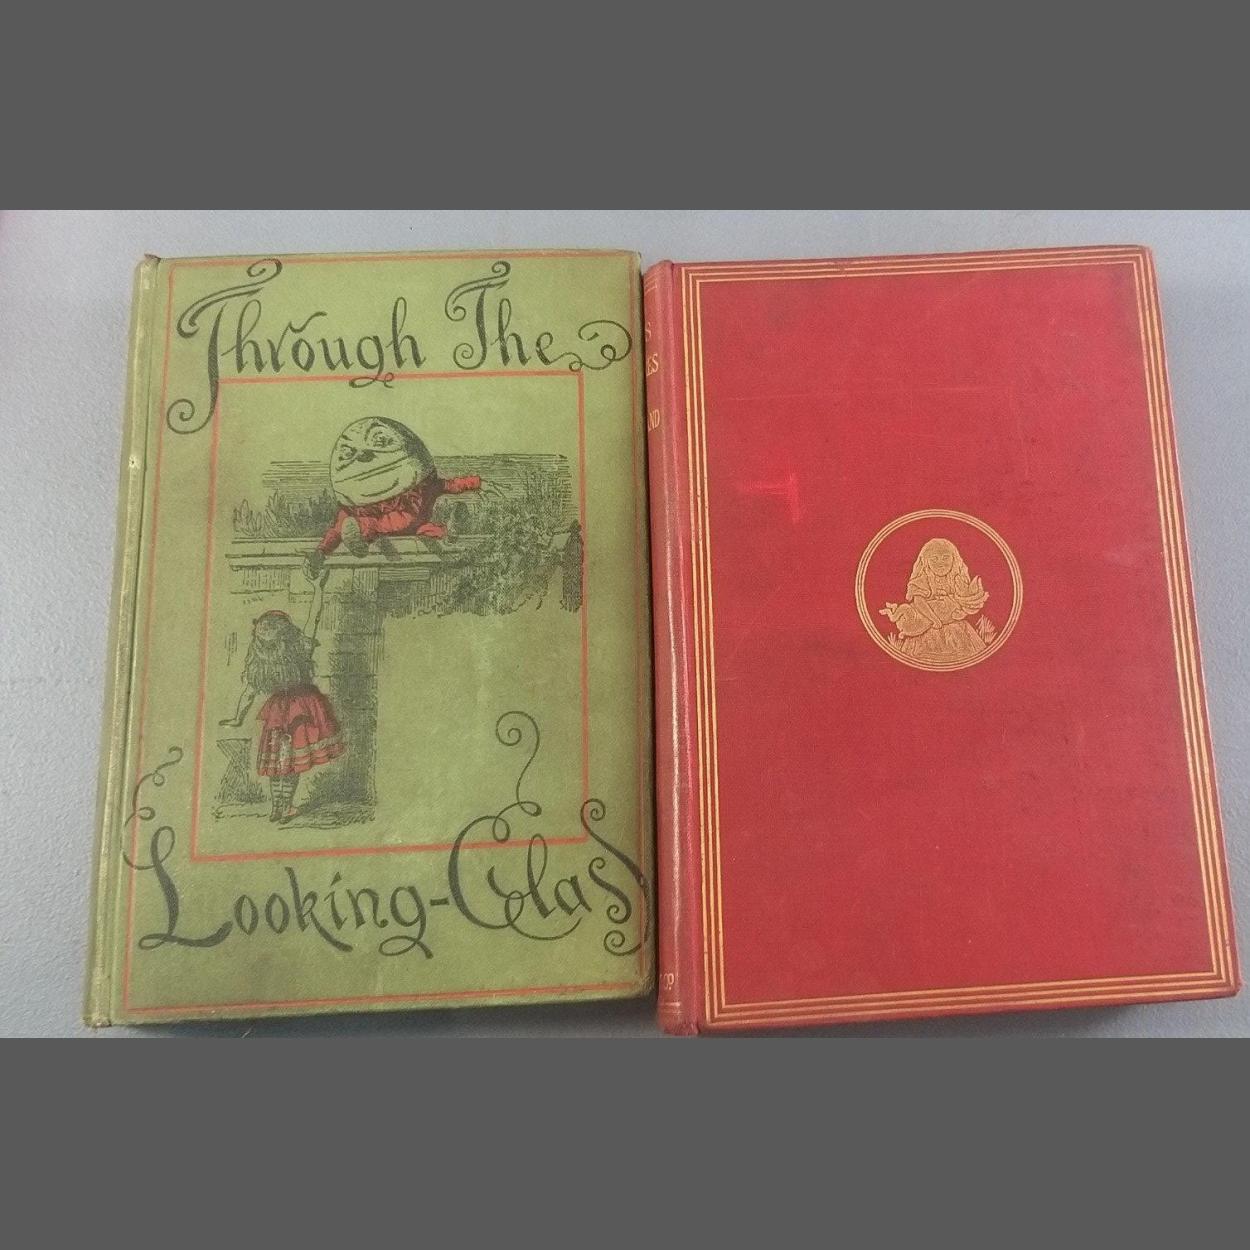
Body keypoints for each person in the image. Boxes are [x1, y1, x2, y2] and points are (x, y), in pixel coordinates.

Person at [220, 571, 344, 823]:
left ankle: (278, 807)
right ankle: (285, 807)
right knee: (291, 763)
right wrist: (317, 588)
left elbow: (248, 693)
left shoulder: (260, 662)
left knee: (278, 762)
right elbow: (314, 618)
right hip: (301, 708)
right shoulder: (298, 649)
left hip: (278, 712)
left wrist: (237, 718)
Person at [879, 538, 990, 663]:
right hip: (927, 627)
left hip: (955, 628)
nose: (940, 563)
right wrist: (934, 619)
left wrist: (962, 613)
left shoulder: (957, 580)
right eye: (934, 559)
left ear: (954, 559)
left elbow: (962, 602)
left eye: (945, 558)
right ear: (926, 562)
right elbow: (919, 602)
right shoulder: (922, 580)